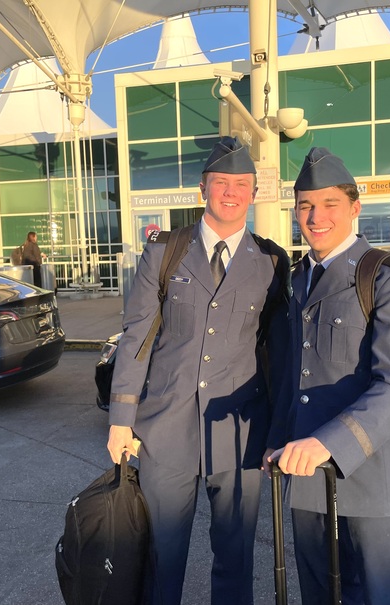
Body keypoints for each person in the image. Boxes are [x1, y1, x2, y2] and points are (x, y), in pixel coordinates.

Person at [106, 136, 289, 605]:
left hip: (240, 433)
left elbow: (279, 351)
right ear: (203, 188)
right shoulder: (165, 251)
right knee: (161, 558)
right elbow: (137, 336)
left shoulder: (271, 261)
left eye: (241, 184)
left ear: (253, 192)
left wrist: (280, 429)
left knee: (235, 558)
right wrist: (121, 417)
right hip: (166, 430)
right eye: (221, 182)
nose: (231, 192)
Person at [268, 147, 390, 605]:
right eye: (305, 205)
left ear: (355, 208)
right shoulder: (297, 278)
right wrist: (276, 438)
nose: (315, 216)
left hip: (371, 476)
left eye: (329, 204)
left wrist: (328, 444)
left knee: (383, 594)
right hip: (303, 474)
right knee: (318, 593)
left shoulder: (389, 277)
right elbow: (290, 374)